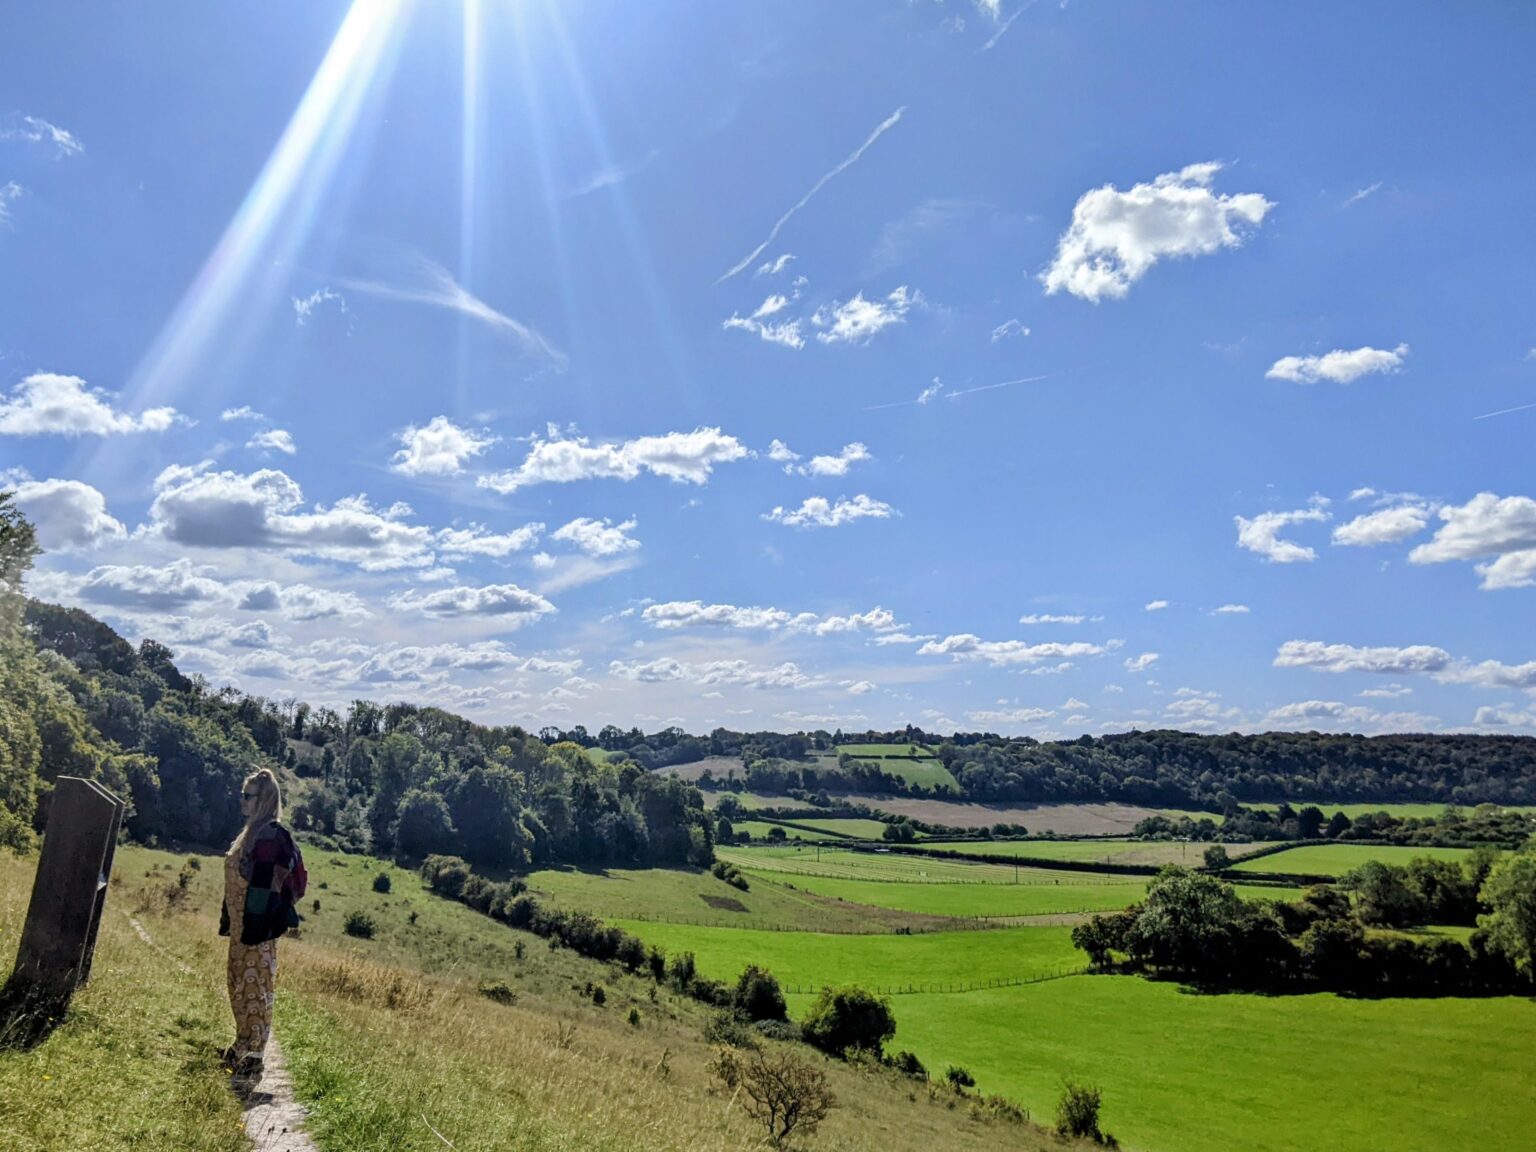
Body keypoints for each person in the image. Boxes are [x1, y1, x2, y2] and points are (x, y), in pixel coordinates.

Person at [219, 768, 304, 1076]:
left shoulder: (271, 835)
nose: (242, 801)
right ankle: (241, 1048)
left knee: (255, 991)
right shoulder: (252, 832)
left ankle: (252, 1059)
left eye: (248, 796)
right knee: (239, 987)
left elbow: (267, 886)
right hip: (243, 930)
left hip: (257, 931)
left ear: (264, 800)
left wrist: (256, 929)